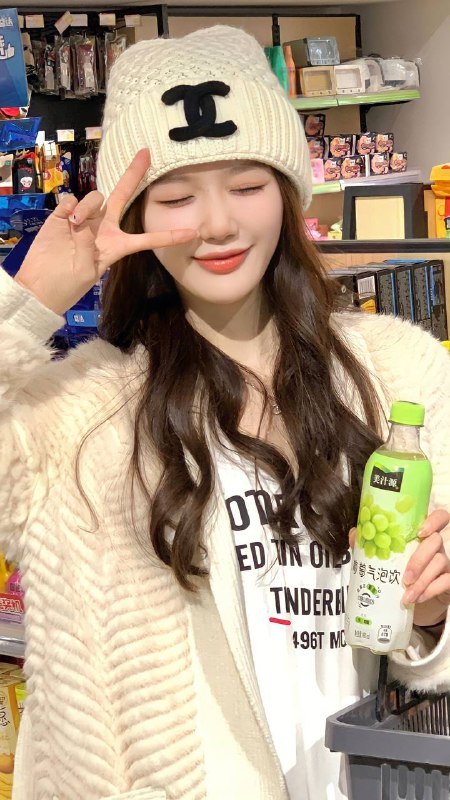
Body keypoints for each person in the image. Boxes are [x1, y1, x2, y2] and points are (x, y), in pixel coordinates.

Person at [1, 25, 450, 800]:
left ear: (288, 191)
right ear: (135, 217)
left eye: (246, 186)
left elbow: (422, 655)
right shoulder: (76, 413)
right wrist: (27, 301)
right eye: (177, 199)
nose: (215, 224)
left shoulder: (399, 373)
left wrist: (432, 616)